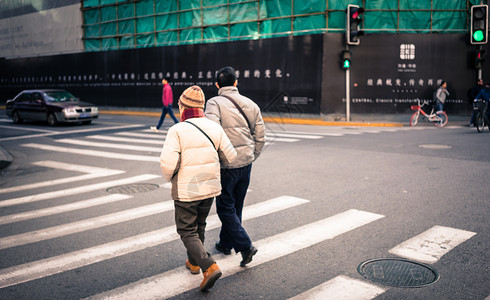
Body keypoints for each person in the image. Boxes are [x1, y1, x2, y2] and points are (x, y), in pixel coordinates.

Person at [160, 85, 237, 291]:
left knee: (186, 229)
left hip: (187, 189)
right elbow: (231, 156)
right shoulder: (214, 127)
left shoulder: (177, 130)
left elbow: (167, 165)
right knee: (199, 225)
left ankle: (209, 266)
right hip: (209, 186)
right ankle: (194, 263)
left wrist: (171, 178)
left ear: (183, 106)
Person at [205, 66, 265, 267]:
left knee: (224, 207)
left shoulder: (214, 103)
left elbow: (212, 133)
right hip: (246, 163)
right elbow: (260, 136)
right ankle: (225, 243)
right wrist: (251, 155)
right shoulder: (251, 104)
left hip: (226, 165)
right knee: (235, 206)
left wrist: (218, 159)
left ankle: (245, 246)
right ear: (236, 83)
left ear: (217, 85)